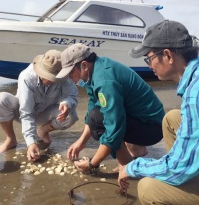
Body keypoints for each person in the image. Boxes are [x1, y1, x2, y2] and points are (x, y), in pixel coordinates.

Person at [118, 20, 199, 204]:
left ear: (168, 55)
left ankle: (179, 185)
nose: (148, 66)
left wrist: (131, 167)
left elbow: (177, 168)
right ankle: (184, 183)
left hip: (179, 167)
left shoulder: (195, 93)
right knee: (171, 119)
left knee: (148, 188)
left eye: (149, 58)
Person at [56, 43, 165, 172]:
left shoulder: (104, 80)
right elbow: (93, 105)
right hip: (145, 120)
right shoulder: (98, 68)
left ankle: (127, 166)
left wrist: (92, 164)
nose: (69, 77)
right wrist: (81, 142)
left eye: (70, 72)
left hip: (153, 128)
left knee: (97, 120)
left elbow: (114, 126)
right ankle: (137, 150)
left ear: (84, 65)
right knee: (95, 115)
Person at [0, 49, 78, 161]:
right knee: (1, 99)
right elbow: (26, 112)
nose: (47, 80)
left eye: (52, 78)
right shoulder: (27, 76)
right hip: (22, 112)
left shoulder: (65, 76)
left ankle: (43, 131)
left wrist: (66, 103)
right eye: (45, 76)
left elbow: (72, 96)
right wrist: (30, 143)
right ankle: (11, 139)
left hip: (46, 113)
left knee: (71, 115)